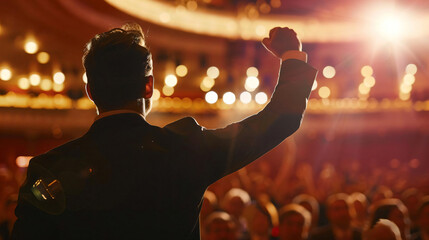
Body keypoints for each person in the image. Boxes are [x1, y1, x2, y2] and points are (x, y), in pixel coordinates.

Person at [11, 24, 317, 239]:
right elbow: (278, 121)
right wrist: (292, 55)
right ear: (149, 86)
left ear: (90, 91)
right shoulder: (185, 148)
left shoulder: (50, 167)